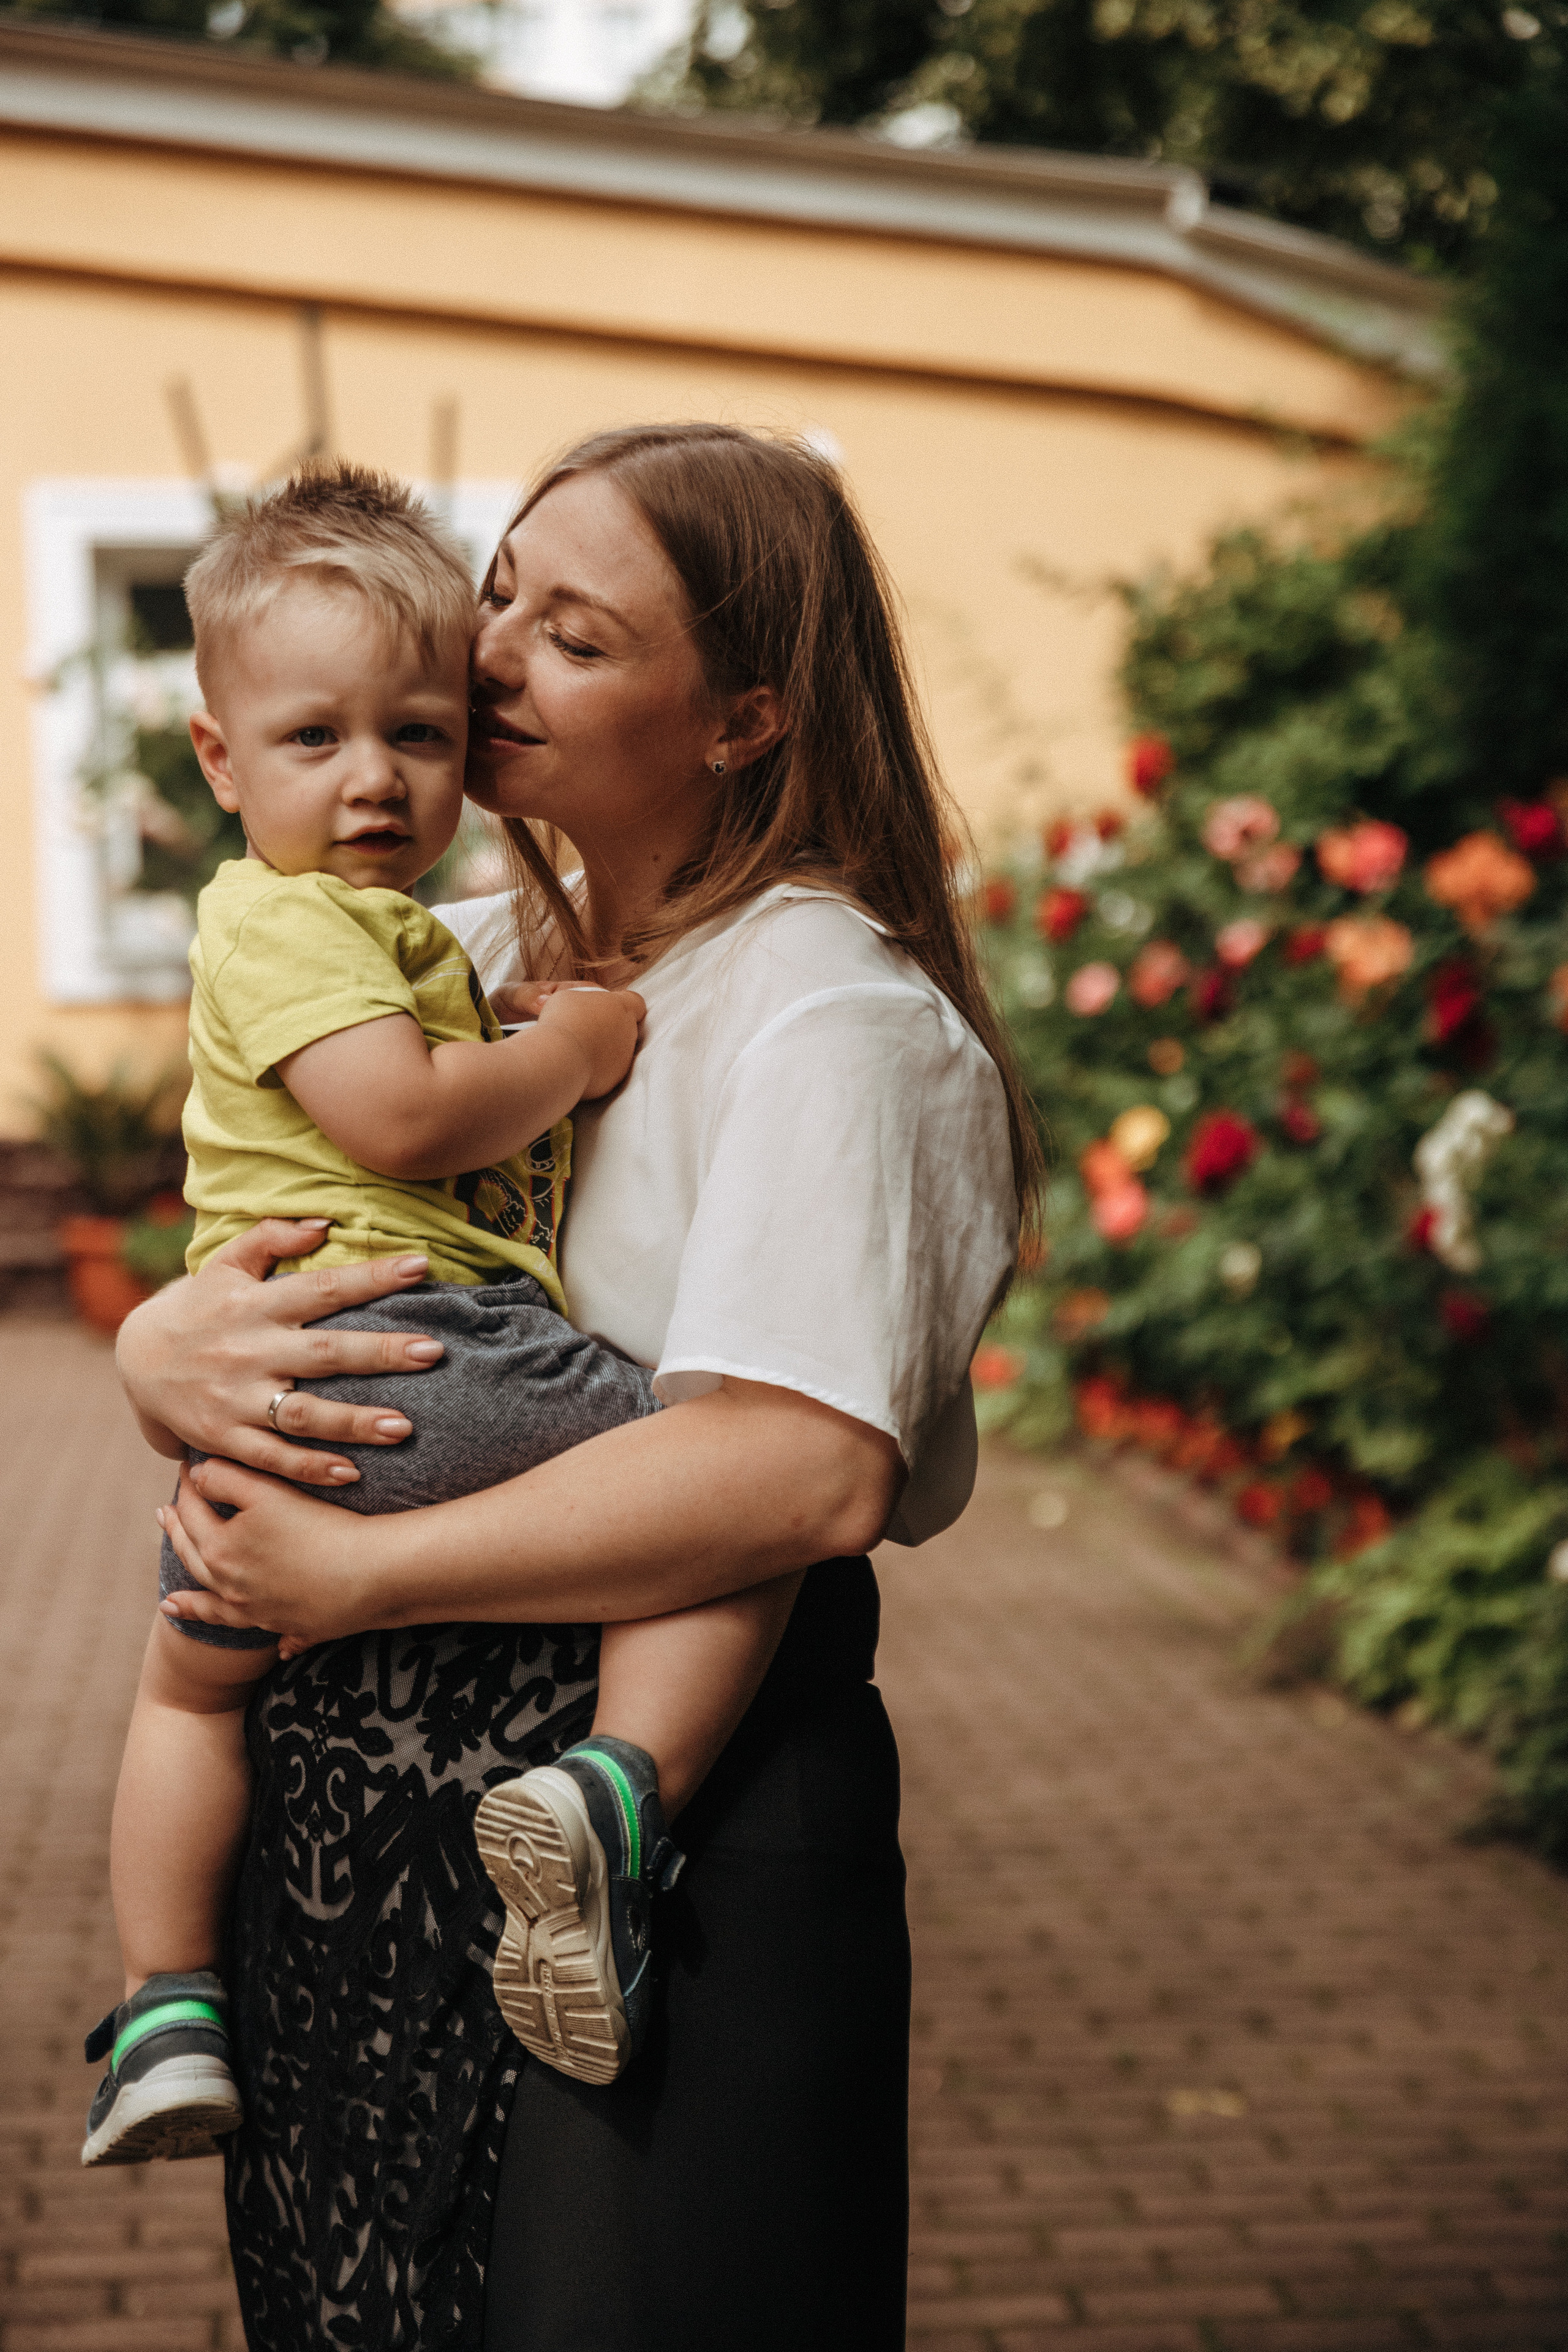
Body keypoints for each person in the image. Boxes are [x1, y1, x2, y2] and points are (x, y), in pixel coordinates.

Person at [123, 422, 1038, 2352]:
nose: (496, 652)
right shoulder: (460, 957)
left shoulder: (833, 1016)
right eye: (506, 591)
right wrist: (160, 1342)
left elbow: (798, 1479)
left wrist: (356, 1577)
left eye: (582, 634)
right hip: (361, 1829)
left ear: (744, 718)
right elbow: (267, 1208)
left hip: (664, 1854)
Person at [86, 465, 805, 2170]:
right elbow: (408, 1123)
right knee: (717, 1495)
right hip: (435, 1353)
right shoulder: (292, 929)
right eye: (315, 741)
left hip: (292, 1424)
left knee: (188, 1695)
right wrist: (573, 1050)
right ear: (216, 757)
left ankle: (165, 2001)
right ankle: (624, 1786)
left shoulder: (402, 929)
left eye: (417, 736)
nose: (374, 782)